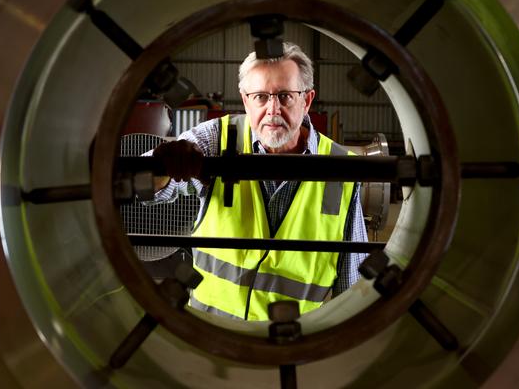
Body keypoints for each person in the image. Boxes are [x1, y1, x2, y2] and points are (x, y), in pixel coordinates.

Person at [150, 42, 367, 321]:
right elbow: (145, 183)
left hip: (288, 346)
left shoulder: (342, 170)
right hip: (211, 337)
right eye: (261, 97)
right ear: (245, 100)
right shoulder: (217, 139)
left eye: (285, 96)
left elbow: (353, 290)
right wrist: (164, 162)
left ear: (307, 100)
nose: (273, 109)